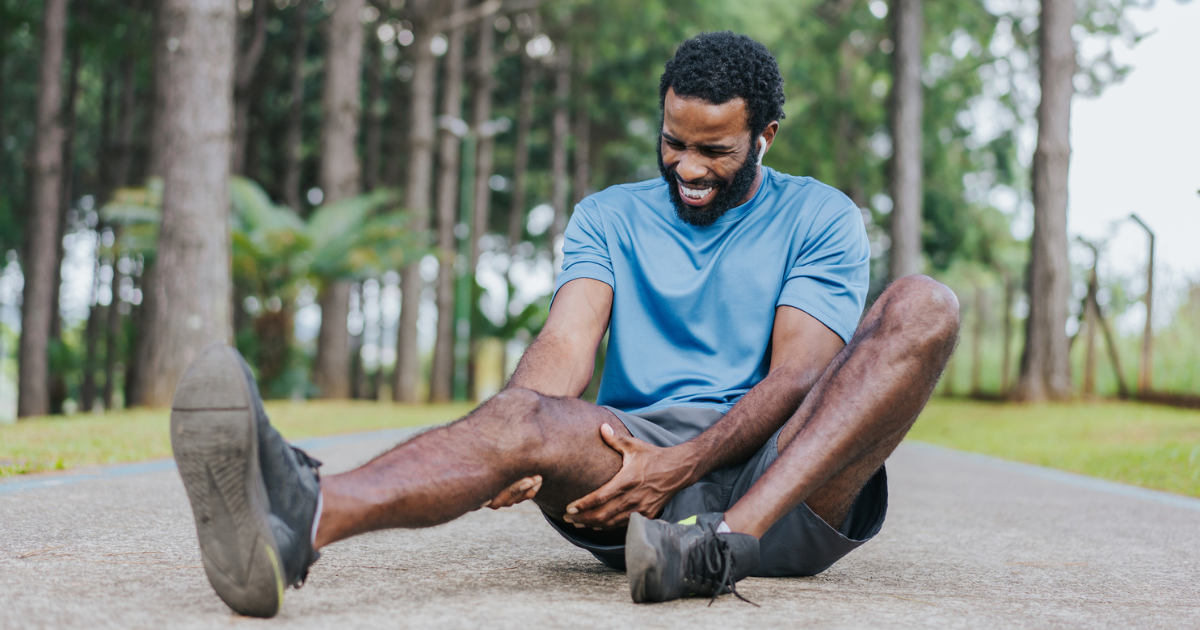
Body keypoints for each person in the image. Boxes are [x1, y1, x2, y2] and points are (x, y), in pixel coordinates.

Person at [170, 31, 960, 618]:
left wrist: (683, 465)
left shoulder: (818, 215)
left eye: (714, 151)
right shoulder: (609, 217)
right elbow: (565, 345)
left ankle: (722, 548)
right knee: (522, 412)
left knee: (926, 302)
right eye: (673, 142)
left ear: (766, 137)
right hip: (629, 471)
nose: (688, 167)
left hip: (783, 482)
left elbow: (796, 379)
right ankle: (301, 515)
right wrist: (519, 428)